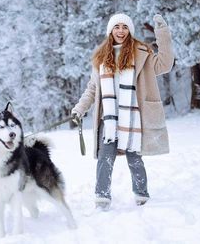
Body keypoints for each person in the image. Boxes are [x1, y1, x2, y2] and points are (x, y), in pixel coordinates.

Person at [71, 13, 174, 210]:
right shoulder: (100, 58)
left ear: (130, 31)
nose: (120, 30)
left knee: (134, 158)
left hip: (133, 117)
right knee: (104, 158)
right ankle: (102, 197)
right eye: (116, 27)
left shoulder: (142, 54)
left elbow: (166, 63)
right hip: (109, 119)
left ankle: (141, 195)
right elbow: (92, 89)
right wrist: (79, 109)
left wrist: (162, 33)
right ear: (111, 30)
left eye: (124, 27)